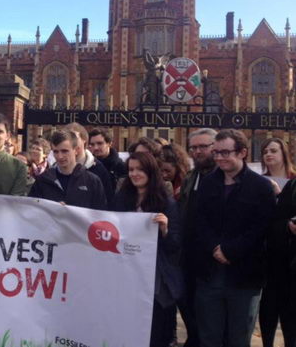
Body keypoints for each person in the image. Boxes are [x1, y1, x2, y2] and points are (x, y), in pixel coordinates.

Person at [194, 129, 275, 347]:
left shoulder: (261, 187)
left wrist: (231, 250)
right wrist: (214, 248)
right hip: (210, 274)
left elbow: (262, 227)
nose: (219, 158)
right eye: (216, 152)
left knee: (239, 338)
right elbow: (199, 221)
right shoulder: (208, 183)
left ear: (242, 152)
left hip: (245, 276)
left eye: (225, 152)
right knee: (209, 337)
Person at [113, 152, 183, 347]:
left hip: (156, 282)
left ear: (151, 172)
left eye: (140, 169)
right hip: (127, 277)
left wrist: (165, 229)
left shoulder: (166, 203)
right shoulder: (121, 199)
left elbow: (175, 245)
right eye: (131, 170)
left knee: (156, 333)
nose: (135, 174)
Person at [177, 128, 217, 347]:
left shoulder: (224, 177)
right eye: (193, 148)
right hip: (187, 254)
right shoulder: (191, 177)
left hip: (212, 256)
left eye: (203, 147)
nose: (198, 152)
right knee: (186, 303)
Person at [29, 130, 106, 210]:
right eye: (56, 152)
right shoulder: (42, 180)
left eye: (64, 151)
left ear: (76, 150)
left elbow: (100, 215)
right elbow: (32, 212)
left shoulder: (92, 181)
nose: (60, 156)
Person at [260, 178, 296, 347]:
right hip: (276, 262)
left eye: (274, 150)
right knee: (270, 312)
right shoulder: (292, 186)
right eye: (266, 150)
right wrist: (288, 225)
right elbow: (276, 220)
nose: (268, 155)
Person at [65, 122, 115, 208]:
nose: (70, 143)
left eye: (73, 138)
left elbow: (107, 203)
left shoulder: (99, 169)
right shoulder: (55, 168)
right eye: (66, 139)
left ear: (84, 140)